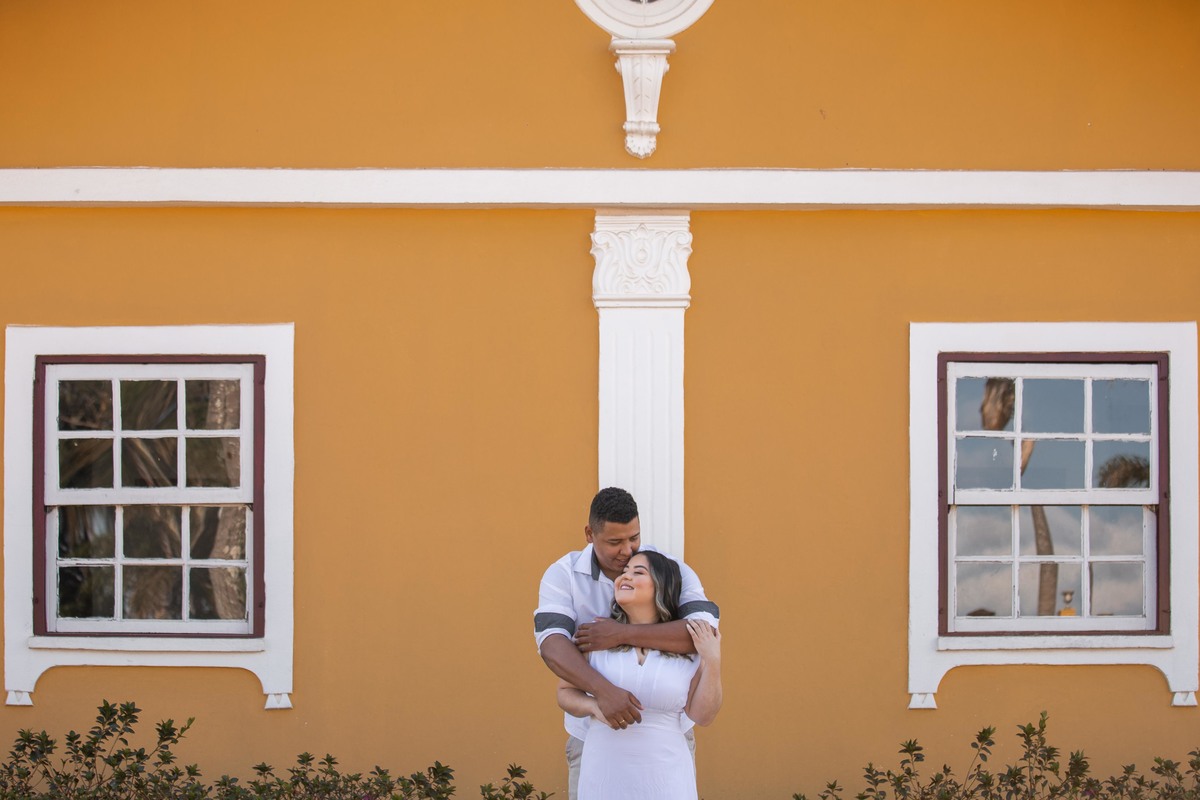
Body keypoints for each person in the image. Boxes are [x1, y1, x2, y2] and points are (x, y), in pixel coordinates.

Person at [534, 488, 720, 800]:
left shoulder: (667, 569)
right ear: (590, 534)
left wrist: (620, 634)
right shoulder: (563, 575)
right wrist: (603, 693)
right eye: (614, 542)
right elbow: (552, 645)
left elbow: (704, 632)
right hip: (592, 740)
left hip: (667, 745)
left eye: (634, 537)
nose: (627, 550)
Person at [557, 550, 723, 800]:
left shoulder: (689, 645)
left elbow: (703, 715)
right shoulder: (595, 634)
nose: (625, 576)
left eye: (638, 572)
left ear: (661, 585)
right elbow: (565, 692)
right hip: (604, 772)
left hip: (667, 776)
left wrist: (712, 660)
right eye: (624, 572)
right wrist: (594, 706)